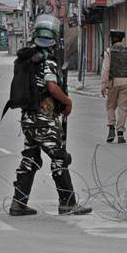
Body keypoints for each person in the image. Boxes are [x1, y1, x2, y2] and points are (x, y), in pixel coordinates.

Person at [9, 14, 91, 216]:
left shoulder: (28, 60)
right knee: (59, 158)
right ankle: (67, 203)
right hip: (45, 118)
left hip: (28, 118)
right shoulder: (49, 62)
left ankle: (18, 204)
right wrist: (68, 102)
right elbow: (52, 87)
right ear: (54, 39)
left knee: (30, 157)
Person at [100, 30, 127, 143]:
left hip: (112, 83)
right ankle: (120, 133)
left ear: (112, 39)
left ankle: (111, 128)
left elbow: (105, 70)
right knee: (123, 108)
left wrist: (103, 85)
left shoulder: (108, 52)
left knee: (110, 106)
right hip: (126, 83)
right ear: (122, 39)